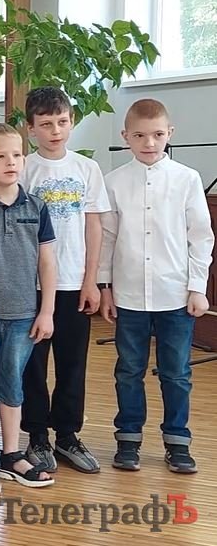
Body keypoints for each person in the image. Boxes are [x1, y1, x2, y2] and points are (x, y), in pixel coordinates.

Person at [100, 98, 214, 474]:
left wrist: (197, 287)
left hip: (175, 294)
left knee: (176, 372)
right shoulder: (114, 182)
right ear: (125, 136)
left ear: (170, 134)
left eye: (157, 134)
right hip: (129, 295)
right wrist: (105, 287)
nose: (149, 143)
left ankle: (177, 441)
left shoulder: (187, 179)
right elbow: (107, 239)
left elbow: (200, 237)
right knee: (128, 370)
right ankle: (128, 439)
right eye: (139, 136)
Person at [20, 86, 111, 474]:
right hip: (32, 287)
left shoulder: (86, 168)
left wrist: (92, 281)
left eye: (61, 122)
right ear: (30, 129)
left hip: (74, 282)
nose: (55, 130)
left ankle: (68, 435)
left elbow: (94, 227)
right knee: (33, 366)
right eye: (45, 124)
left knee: (73, 363)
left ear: (72, 121)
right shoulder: (24, 168)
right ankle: (37, 435)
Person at [0, 124, 56, 493]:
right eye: (0, 156)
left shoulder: (37, 207)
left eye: (16, 155)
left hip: (24, 316)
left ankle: (11, 454)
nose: (10, 162)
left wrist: (46, 310)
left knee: (12, 384)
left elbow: (47, 262)